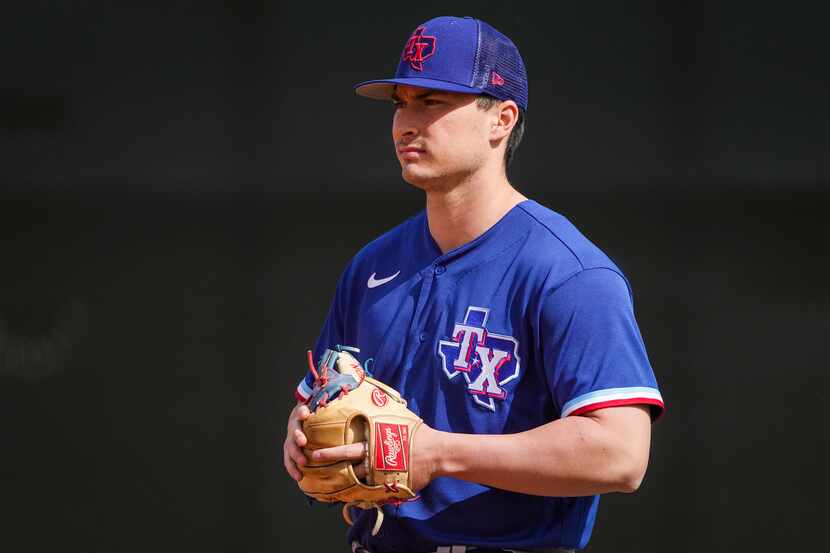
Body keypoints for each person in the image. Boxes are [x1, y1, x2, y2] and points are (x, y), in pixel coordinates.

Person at [283, 15, 664, 553]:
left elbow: (621, 454)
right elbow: (316, 400)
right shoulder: (374, 265)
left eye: (432, 102)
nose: (406, 123)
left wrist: (438, 453)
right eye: (401, 102)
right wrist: (300, 439)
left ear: (501, 120)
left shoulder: (569, 273)